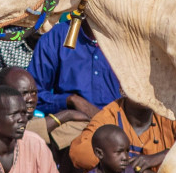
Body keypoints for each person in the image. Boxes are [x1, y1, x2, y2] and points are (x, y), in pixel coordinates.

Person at [29, 18, 120, 153]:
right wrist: (70, 100)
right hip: (75, 122)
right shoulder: (56, 37)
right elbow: (33, 95)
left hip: (119, 124)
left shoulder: (129, 39)